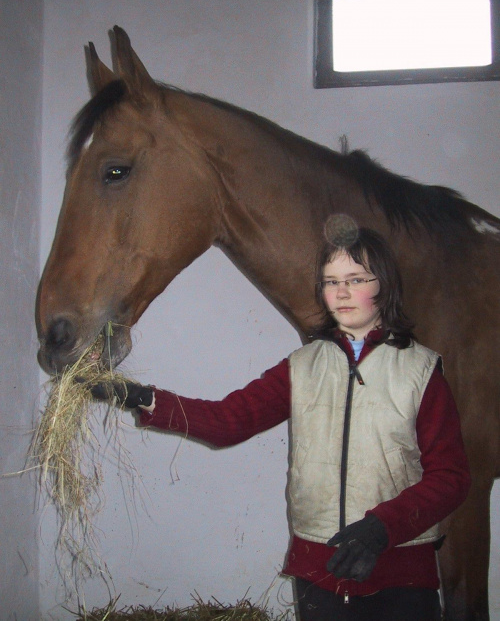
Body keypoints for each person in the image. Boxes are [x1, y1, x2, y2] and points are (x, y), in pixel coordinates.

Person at [91, 226, 470, 621]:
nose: (341, 293)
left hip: (401, 578)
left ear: (384, 286)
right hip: (318, 575)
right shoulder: (302, 367)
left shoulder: (420, 371)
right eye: (331, 282)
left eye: (356, 279)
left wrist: (382, 529)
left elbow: (452, 477)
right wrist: (145, 398)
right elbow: (228, 421)